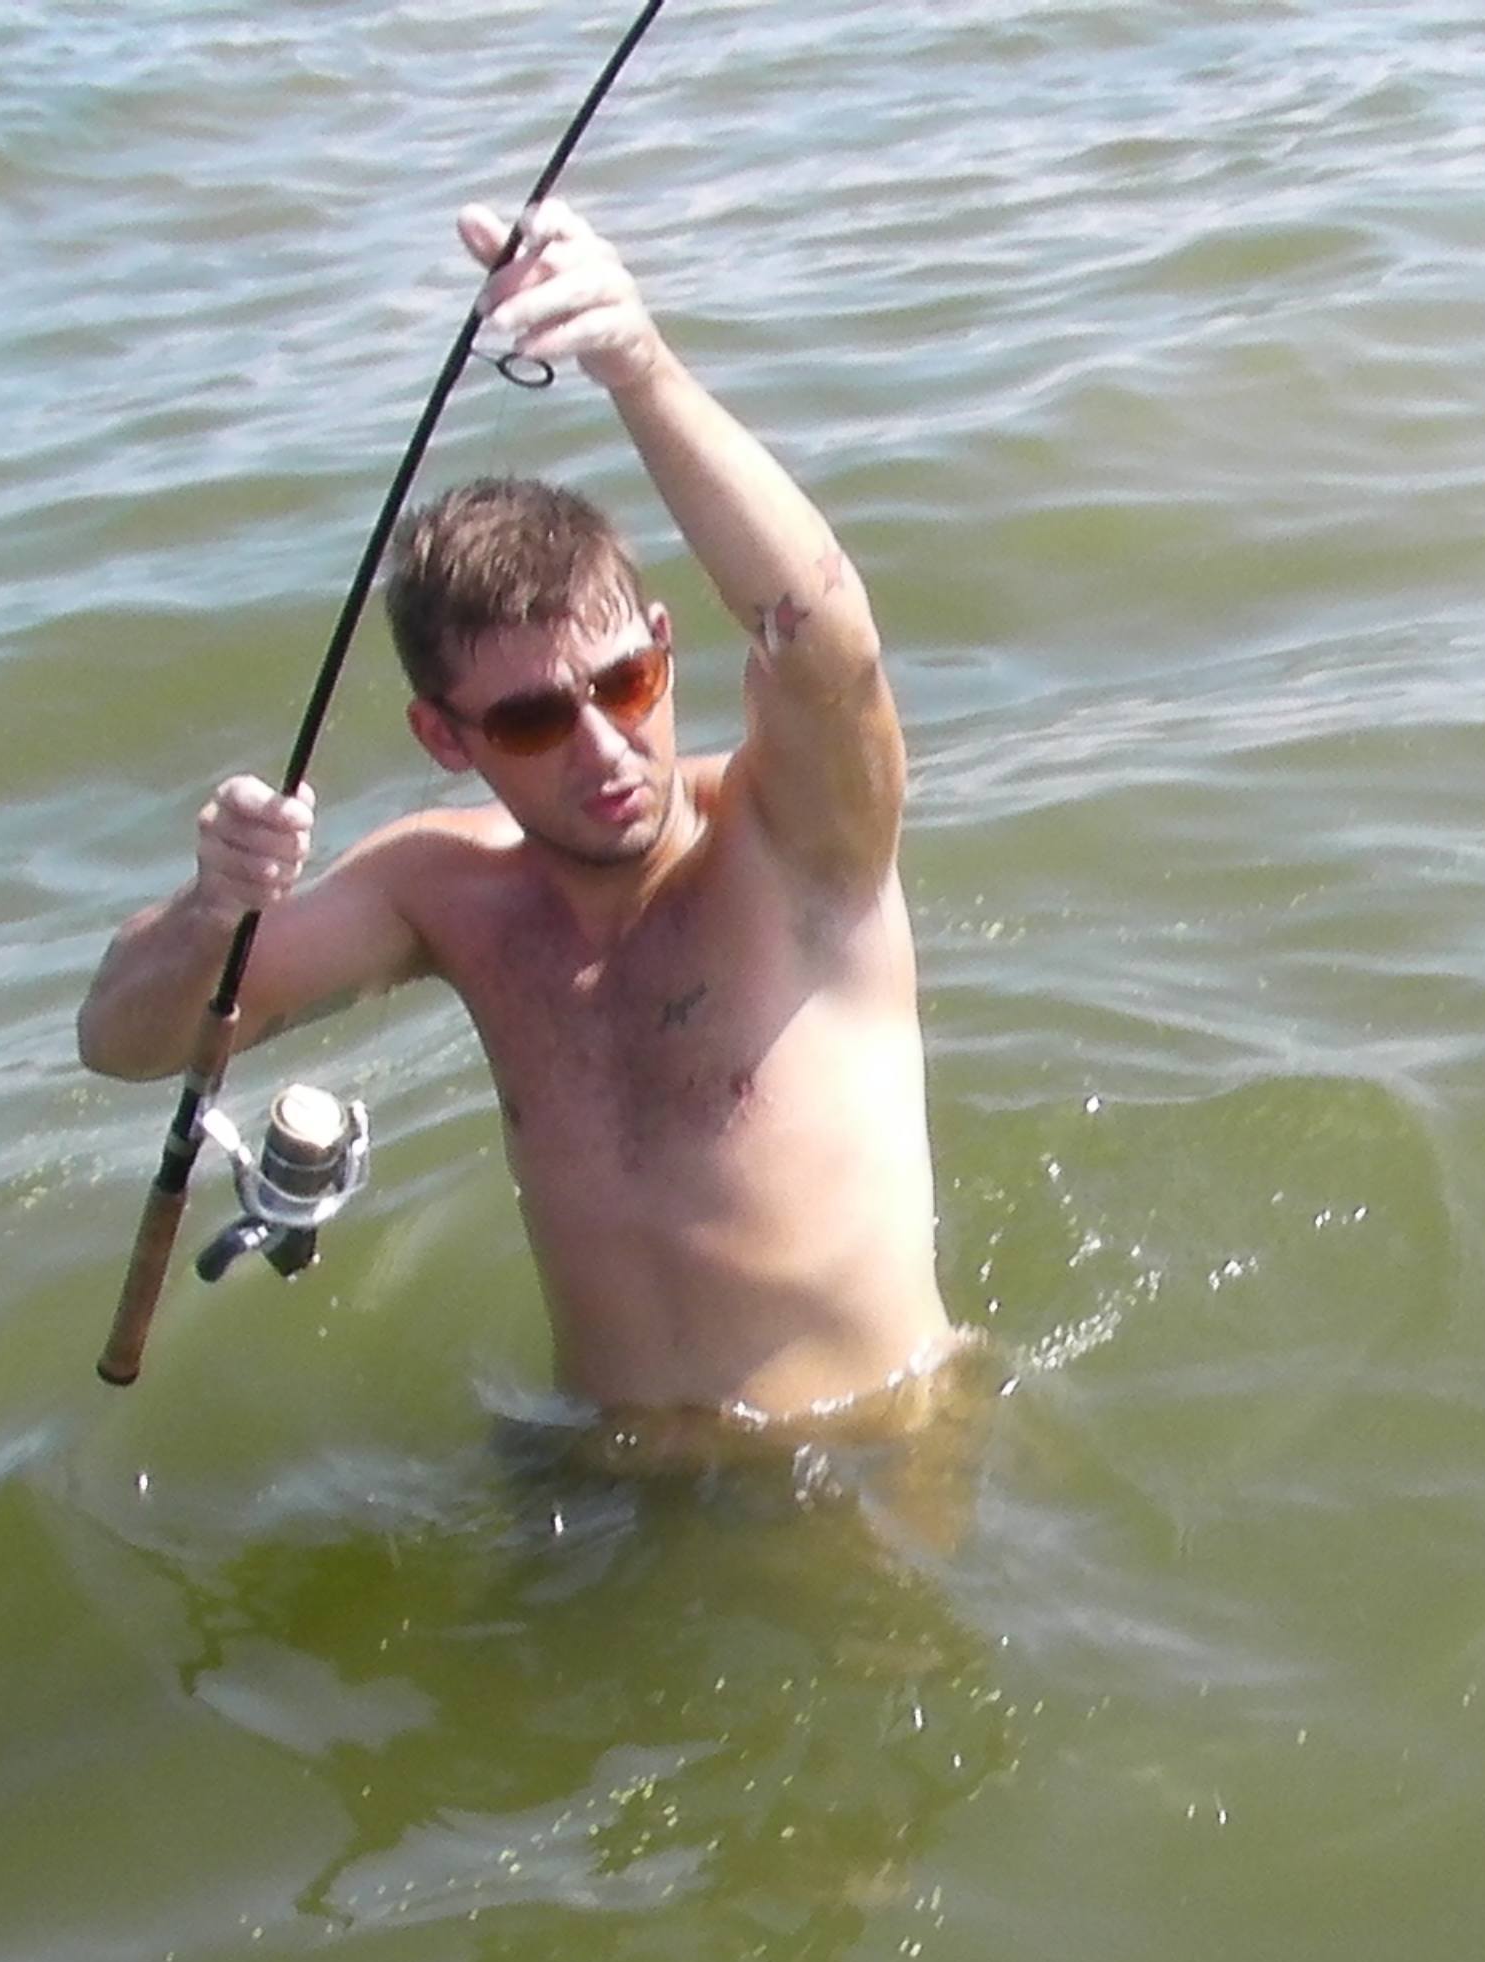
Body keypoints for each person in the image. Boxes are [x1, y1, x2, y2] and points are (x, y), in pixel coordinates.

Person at [78, 201, 966, 1454]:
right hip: (594, 1478)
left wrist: (637, 368)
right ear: (449, 738)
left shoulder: (793, 839)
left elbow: (824, 634)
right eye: (537, 720)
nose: (605, 748)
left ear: (664, 649)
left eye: (625, 686)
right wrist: (211, 904)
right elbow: (120, 1042)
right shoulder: (442, 893)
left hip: (868, 1455)